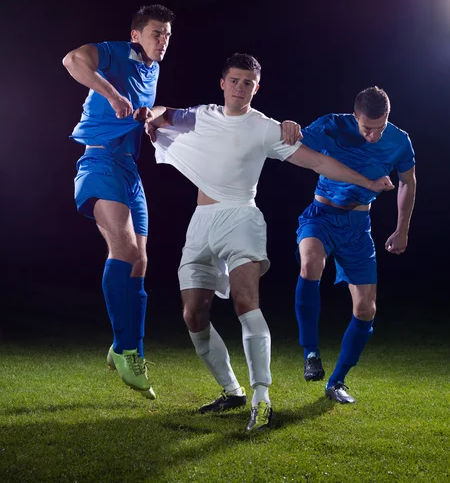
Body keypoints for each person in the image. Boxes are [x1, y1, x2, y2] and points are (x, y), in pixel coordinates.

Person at [144, 54, 394, 432]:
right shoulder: (203, 114)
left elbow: (317, 163)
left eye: (249, 83)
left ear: (256, 89)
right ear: (223, 83)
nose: (241, 87)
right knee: (193, 314)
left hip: (241, 219)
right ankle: (232, 390)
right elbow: (166, 112)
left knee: (246, 302)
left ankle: (262, 397)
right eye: (235, 80)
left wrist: (368, 183)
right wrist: (151, 114)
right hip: (201, 224)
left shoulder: (265, 128)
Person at [62, 4, 175, 399]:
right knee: (124, 250)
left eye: (167, 35)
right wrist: (111, 95)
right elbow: (72, 60)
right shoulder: (116, 52)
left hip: (129, 169)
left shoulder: (154, 70)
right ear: (136, 35)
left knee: (141, 260)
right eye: (156, 33)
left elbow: (144, 112)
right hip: (100, 160)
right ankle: (127, 350)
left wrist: (147, 118)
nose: (163, 41)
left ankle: (128, 349)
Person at [294, 86, 416, 404]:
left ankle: (337, 382)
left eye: (380, 127)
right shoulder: (332, 125)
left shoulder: (400, 141)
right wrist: (288, 128)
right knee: (310, 264)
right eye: (366, 128)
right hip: (320, 216)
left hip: (359, 227)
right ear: (355, 115)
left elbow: (408, 181)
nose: (373, 135)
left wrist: (402, 229)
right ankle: (310, 353)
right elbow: (293, 145)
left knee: (366, 308)